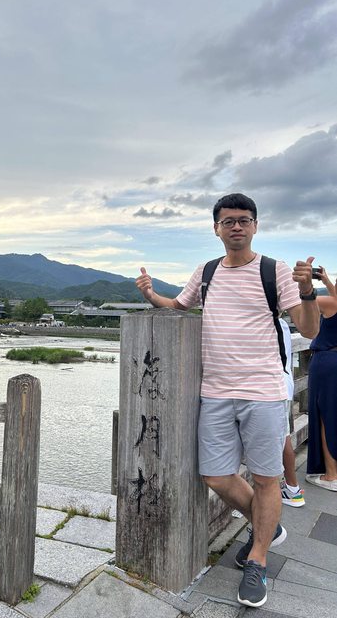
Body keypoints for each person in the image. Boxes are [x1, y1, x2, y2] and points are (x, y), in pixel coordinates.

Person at [136, 193, 320, 608]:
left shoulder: (275, 271)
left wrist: (307, 291)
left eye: (244, 220)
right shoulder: (207, 272)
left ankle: (258, 560)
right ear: (216, 228)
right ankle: (267, 526)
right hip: (215, 392)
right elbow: (178, 306)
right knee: (216, 476)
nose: (236, 226)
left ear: (255, 226)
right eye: (228, 221)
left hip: (263, 392)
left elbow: (309, 329)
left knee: (266, 478)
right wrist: (150, 295)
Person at [305, 266, 337, 491]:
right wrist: (326, 282)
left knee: (325, 415)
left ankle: (331, 475)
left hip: (326, 363)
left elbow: (303, 303)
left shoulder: (330, 303)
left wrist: (306, 284)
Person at [279, 317, 305, 507]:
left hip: (273, 388)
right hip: (284, 385)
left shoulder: (271, 324)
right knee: (284, 437)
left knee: (281, 440)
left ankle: (293, 490)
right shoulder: (282, 324)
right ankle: (292, 487)